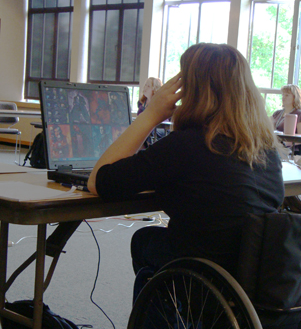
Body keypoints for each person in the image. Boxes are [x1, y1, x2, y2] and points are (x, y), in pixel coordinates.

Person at [88, 42, 284, 279]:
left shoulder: (188, 145)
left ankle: (164, 314)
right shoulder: (267, 150)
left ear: (191, 90)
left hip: (205, 277)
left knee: (144, 241)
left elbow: (100, 181)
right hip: (256, 280)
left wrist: (151, 114)